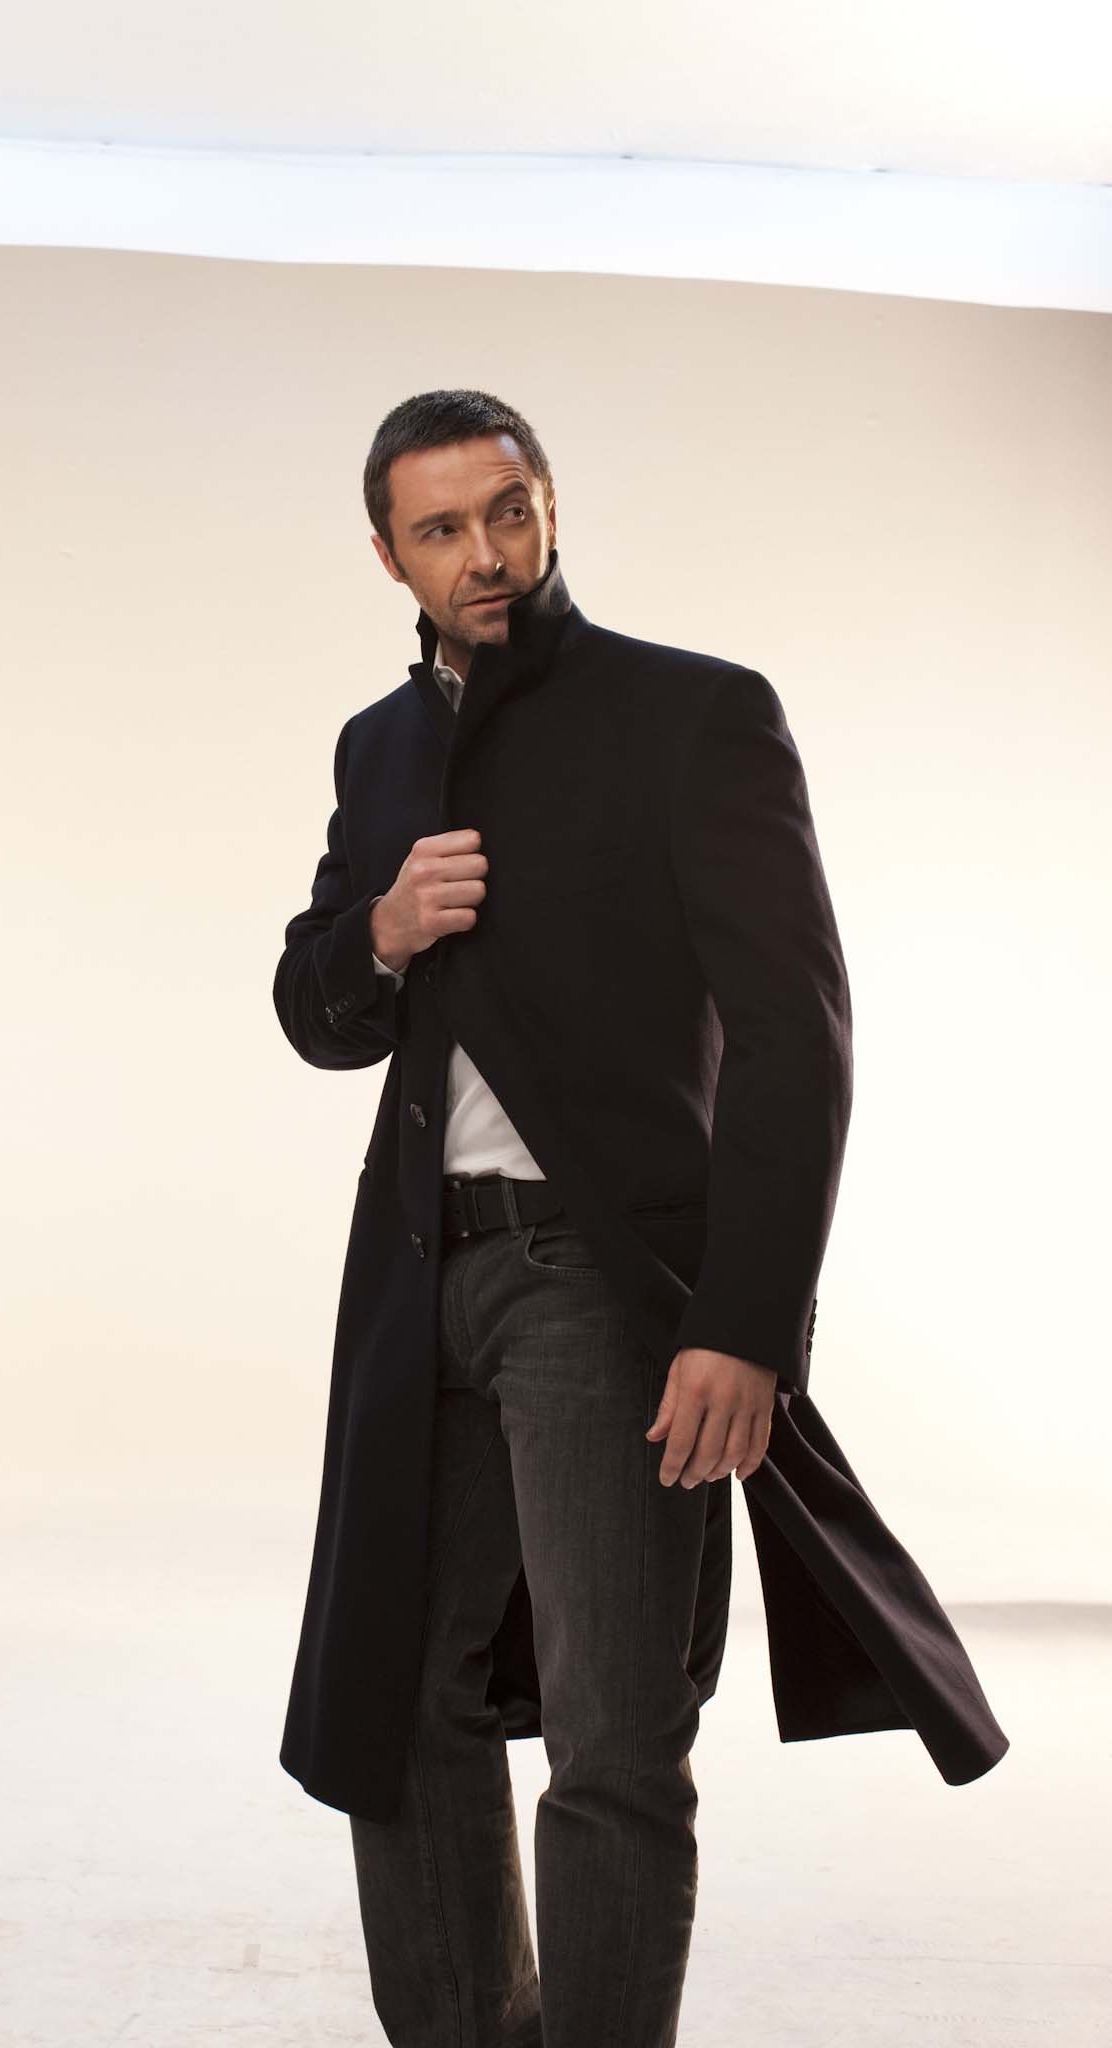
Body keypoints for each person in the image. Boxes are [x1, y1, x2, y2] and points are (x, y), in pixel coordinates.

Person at [272, 388, 1007, 2047]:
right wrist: (380, 932)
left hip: (598, 1286)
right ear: (386, 555)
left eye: (507, 512)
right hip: (414, 1280)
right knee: (398, 1708)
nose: (484, 553)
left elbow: (794, 1036)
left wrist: (743, 1323)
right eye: (441, 528)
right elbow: (316, 1013)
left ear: (549, 508)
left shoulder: (691, 713)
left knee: (613, 1736)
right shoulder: (377, 749)